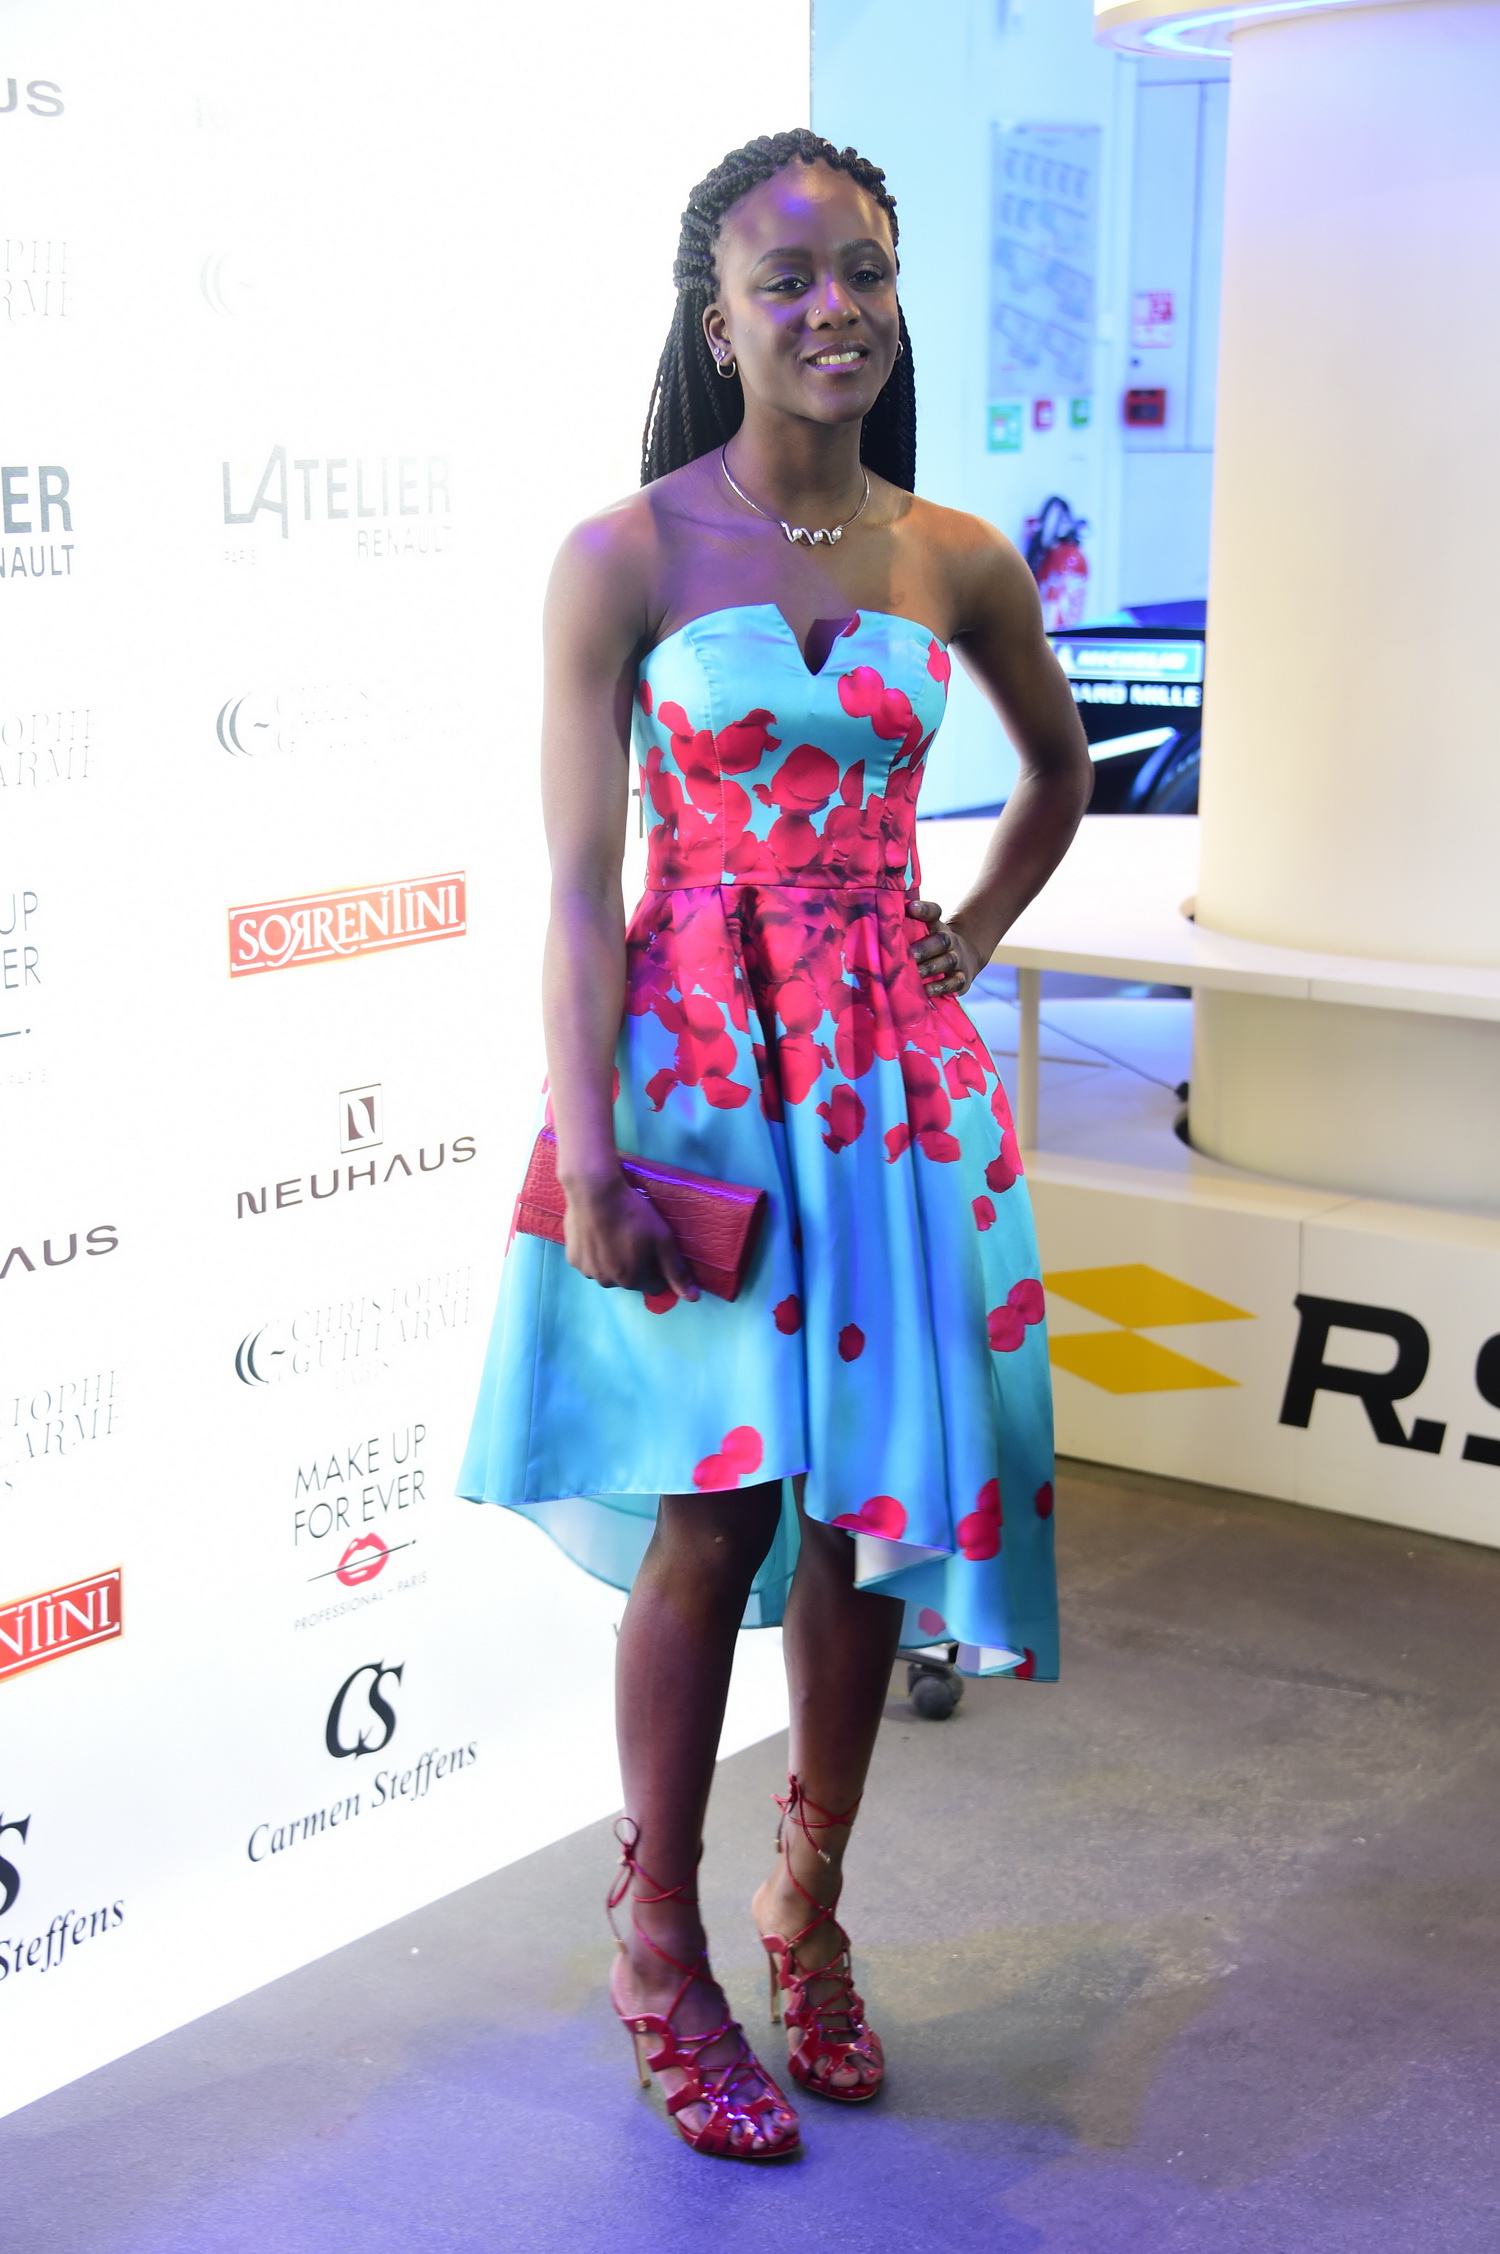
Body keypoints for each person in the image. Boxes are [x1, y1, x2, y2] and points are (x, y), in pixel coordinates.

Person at [459, 127, 1091, 2161]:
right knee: (713, 1511)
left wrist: (964, 933)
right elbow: (578, 886)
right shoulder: (624, 552)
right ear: (717, 317)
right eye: (787, 278)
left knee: (860, 1515)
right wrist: (592, 1152)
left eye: (865, 271)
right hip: (700, 1090)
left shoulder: (954, 554)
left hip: (899, 1093)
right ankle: (658, 1947)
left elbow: (1060, 772)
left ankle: (805, 1905)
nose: (835, 308)